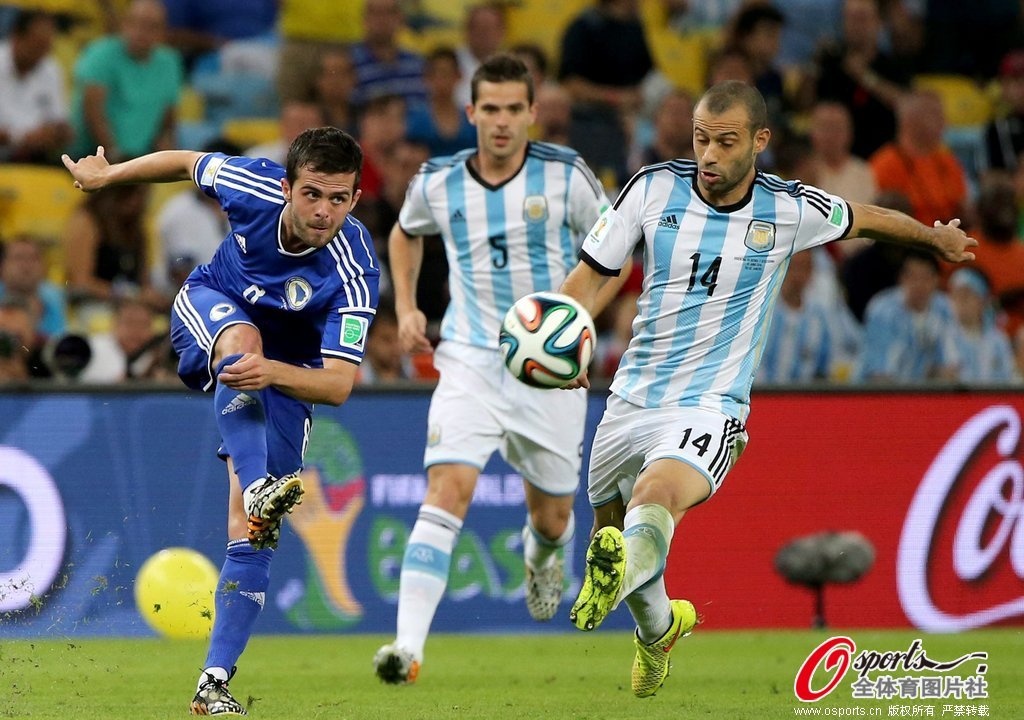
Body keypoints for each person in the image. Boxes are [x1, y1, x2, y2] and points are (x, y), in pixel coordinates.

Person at [557, 80, 977, 698]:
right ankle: (660, 628)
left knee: (656, 497)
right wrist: (563, 333)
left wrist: (934, 238)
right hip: (630, 397)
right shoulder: (651, 189)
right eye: (701, 139)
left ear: (759, 140)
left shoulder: (787, 207)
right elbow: (591, 278)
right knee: (613, 533)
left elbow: (868, 220)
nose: (709, 154)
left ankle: (619, 582)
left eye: (725, 142)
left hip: (711, 403)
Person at [61, 126, 379, 715]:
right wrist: (108, 175)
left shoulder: (356, 268)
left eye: (339, 199)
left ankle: (213, 683)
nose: (323, 211)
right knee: (242, 339)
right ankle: (260, 484)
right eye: (312, 194)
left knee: (253, 531)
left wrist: (274, 374)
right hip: (210, 307)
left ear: (355, 199)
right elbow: (186, 161)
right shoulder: (249, 185)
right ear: (286, 187)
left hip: (284, 370)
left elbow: (337, 384)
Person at [372, 53, 624, 685]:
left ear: (533, 113)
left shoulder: (567, 176)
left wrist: (577, 329)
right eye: (491, 109)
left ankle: (542, 561)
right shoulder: (439, 180)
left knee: (553, 518)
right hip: (469, 359)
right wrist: (406, 308)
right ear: (471, 113)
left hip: (549, 373)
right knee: (446, 488)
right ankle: (406, 649)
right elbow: (405, 234)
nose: (503, 121)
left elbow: (615, 255)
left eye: (515, 109)